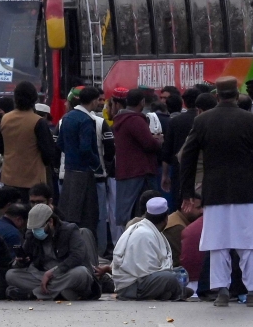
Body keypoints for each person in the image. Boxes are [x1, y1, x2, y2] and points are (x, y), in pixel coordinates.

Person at [180, 76, 253, 308]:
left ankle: (222, 292)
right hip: (246, 191)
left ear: (216, 96)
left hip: (214, 192)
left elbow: (188, 158)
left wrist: (187, 192)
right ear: (237, 95)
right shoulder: (250, 120)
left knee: (218, 243)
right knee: (250, 243)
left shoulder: (203, 121)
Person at [5, 204, 96, 301]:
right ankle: (61, 293)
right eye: (33, 229)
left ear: (51, 222)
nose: (36, 231)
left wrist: (53, 272)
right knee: (11, 275)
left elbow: (77, 256)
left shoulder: (70, 230)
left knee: (81, 273)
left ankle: (33, 294)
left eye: (39, 228)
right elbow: (26, 256)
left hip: (64, 273)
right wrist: (20, 261)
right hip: (42, 275)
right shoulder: (31, 234)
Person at [112, 197, 187, 301]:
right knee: (170, 278)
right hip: (131, 286)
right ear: (166, 219)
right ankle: (175, 291)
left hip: (140, 281)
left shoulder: (148, 229)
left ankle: (173, 291)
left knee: (180, 272)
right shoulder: (144, 234)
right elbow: (146, 272)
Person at [0, 82, 57, 201]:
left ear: (15, 98)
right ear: (34, 99)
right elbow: (48, 153)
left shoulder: (5, 119)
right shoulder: (38, 121)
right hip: (33, 181)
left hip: (9, 178)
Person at [112, 88, 162, 226]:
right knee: (142, 211)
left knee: (129, 211)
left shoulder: (120, 119)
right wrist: (158, 141)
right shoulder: (135, 120)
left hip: (125, 171)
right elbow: (148, 144)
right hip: (140, 172)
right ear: (142, 102)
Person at [56, 85, 100, 233]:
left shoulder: (67, 117)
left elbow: (60, 143)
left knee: (68, 212)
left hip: (69, 170)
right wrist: (96, 164)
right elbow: (86, 148)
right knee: (86, 215)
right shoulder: (86, 120)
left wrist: (71, 154)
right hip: (83, 172)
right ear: (93, 101)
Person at [162, 192, 202, 263]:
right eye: (198, 208)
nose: (202, 211)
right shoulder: (177, 228)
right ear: (185, 207)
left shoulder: (177, 219)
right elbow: (187, 258)